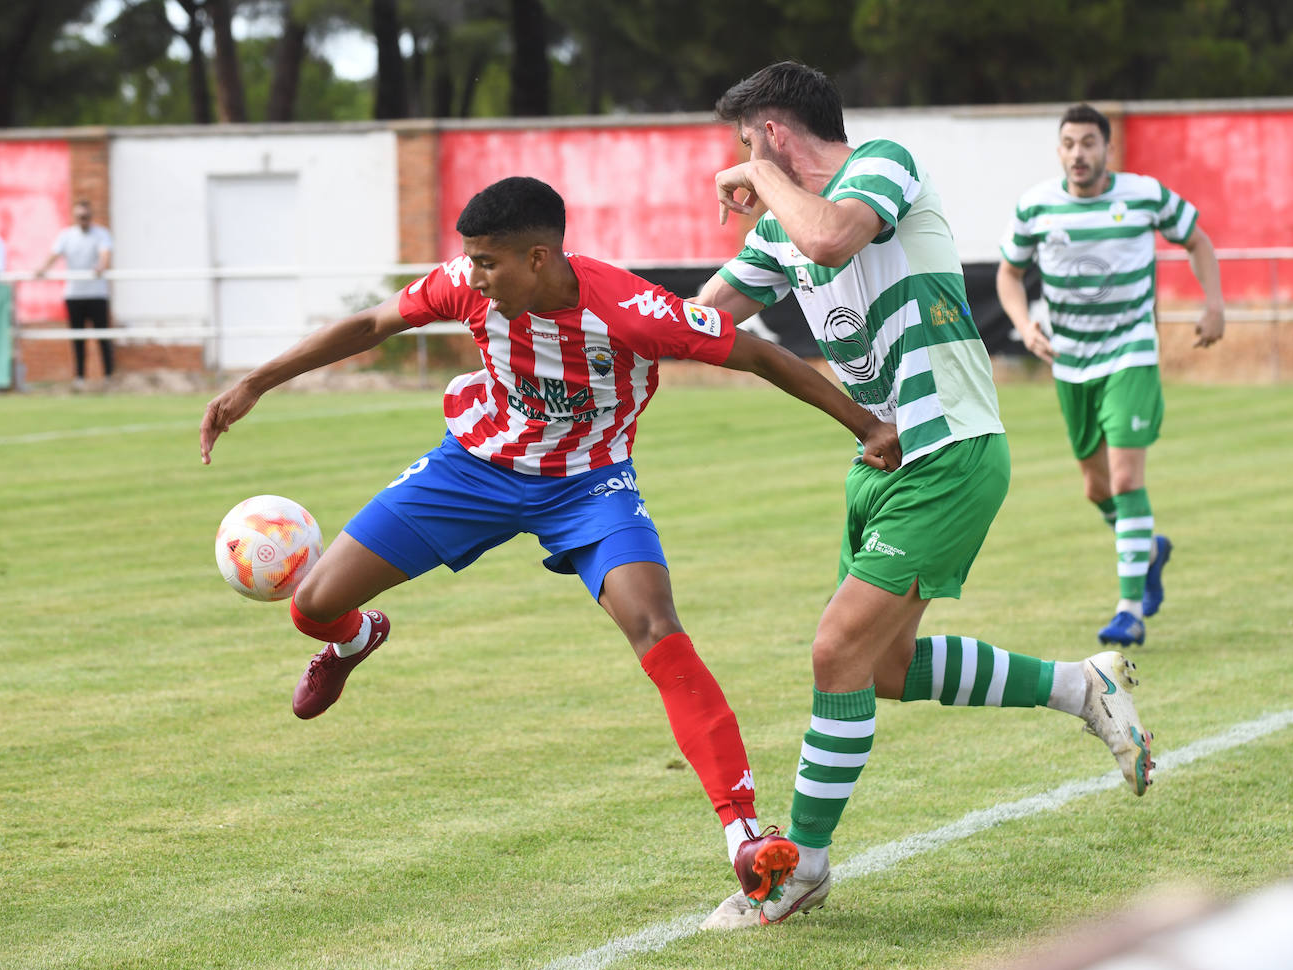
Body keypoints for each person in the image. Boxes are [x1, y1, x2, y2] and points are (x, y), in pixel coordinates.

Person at [199, 175, 904, 908]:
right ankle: (351, 641)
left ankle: (745, 835)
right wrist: (256, 382)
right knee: (313, 604)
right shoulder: (467, 287)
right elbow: (375, 324)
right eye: (469, 260)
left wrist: (866, 425)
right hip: (473, 468)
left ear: (539, 258)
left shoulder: (633, 311)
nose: (473, 277)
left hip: (589, 487)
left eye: (488, 263)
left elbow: (760, 356)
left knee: (656, 627)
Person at [691, 62, 1155, 931]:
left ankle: (805, 865)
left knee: (835, 653)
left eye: (746, 145)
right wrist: (589, 322)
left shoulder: (884, 166)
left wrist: (758, 177)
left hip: (949, 450)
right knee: (884, 669)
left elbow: (831, 237)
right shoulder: (781, 230)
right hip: (879, 465)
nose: (739, 164)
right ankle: (1080, 688)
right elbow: (700, 315)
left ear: (776, 136)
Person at [996, 103, 1225, 647]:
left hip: (1130, 354)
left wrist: (1213, 302)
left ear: (1107, 149)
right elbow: (1009, 271)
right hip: (1071, 362)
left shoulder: (1143, 195)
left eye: (1089, 144)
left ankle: (1128, 610)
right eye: (1069, 144)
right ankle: (1146, 548)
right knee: (1096, 488)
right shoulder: (1036, 208)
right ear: (1060, 151)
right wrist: (1024, 325)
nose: (1079, 154)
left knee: (1125, 480)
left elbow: (1197, 239)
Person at [36, 199, 116, 387]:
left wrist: (101, 267)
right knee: (77, 337)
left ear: (91, 216)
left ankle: (108, 377)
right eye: (80, 217)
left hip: (97, 294)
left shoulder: (101, 234)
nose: (83, 220)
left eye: (86, 217)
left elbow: (105, 255)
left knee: (103, 336)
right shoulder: (66, 236)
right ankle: (80, 378)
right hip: (74, 294)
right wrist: (41, 270)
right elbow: (54, 255)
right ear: (74, 217)